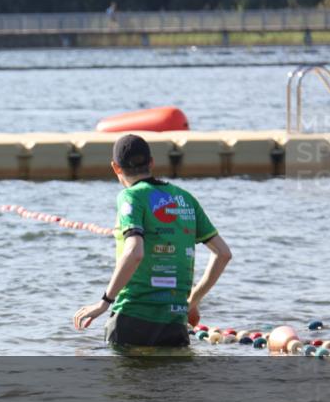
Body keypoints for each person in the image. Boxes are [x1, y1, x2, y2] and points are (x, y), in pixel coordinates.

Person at [73, 135, 232, 346]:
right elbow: (223, 254)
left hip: (132, 317)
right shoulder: (185, 198)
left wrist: (104, 302)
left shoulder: (130, 196)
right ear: (151, 163)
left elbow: (135, 252)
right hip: (174, 322)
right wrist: (192, 301)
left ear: (115, 167)